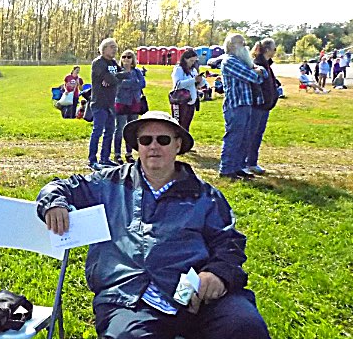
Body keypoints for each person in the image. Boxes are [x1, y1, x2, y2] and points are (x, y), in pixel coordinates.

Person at [36, 111, 270, 339]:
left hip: (198, 297)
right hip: (128, 297)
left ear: (178, 145)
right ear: (138, 146)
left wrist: (217, 274)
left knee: (244, 326)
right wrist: (53, 203)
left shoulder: (205, 195)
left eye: (163, 139)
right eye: (146, 140)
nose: (154, 146)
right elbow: (59, 187)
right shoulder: (110, 183)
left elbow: (229, 242)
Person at [218, 33, 266, 180]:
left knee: (244, 138)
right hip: (235, 106)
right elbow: (254, 76)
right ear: (233, 46)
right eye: (242, 43)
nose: (246, 46)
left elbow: (262, 72)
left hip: (245, 104)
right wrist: (256, 71)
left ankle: (238, 167)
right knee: (234, 138)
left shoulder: (241, 60)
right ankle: (226, 169)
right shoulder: (230, 61)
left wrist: (257, 70)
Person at [88, 38, 130, 170]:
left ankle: (104, 158)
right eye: (112, 47)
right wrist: (114, 78)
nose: (114, 49)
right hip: (99, 103)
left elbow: (124, 75)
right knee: (98, 131)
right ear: (104, 48)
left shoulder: (112, 63)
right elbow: (109, 77)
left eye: (115, 47)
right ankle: (92, 160)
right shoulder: (98, 63)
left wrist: (115, 78)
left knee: (110, 132)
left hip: (111, 103)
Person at [244, 38, 279, 176]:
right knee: (252, 134)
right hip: (258, 105)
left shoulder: (266, 64)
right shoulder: (258, 64)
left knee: (257, 134)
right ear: (267, 49)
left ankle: (252, 162)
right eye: (274, 48)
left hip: (264, 106)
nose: (275, 51)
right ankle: (247, 162)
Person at [113, 49, 145, 165]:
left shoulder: (136, 71)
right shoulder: (118, 71)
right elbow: (119, 85)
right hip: (121, 102)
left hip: (134, 102)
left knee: (132, 129)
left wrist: (129, 83)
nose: (126, 59)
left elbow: (142, 83)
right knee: (120, 128)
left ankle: (129, 153)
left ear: (133, 60)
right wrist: (133, 83)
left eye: (129, 57)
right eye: (124, 57)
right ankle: (117, 154)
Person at [170, 49, 203, 132]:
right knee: (178, 126)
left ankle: (185, 144)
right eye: (191, 60)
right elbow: (178, 85)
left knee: (186, 127)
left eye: (195, 61)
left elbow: (197, 84)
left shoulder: (193, 70)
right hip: (180, 101)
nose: (193, 63)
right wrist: (194, 80)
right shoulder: (179, 69)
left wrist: (201, 81)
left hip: (191, 102)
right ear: (185, 59)